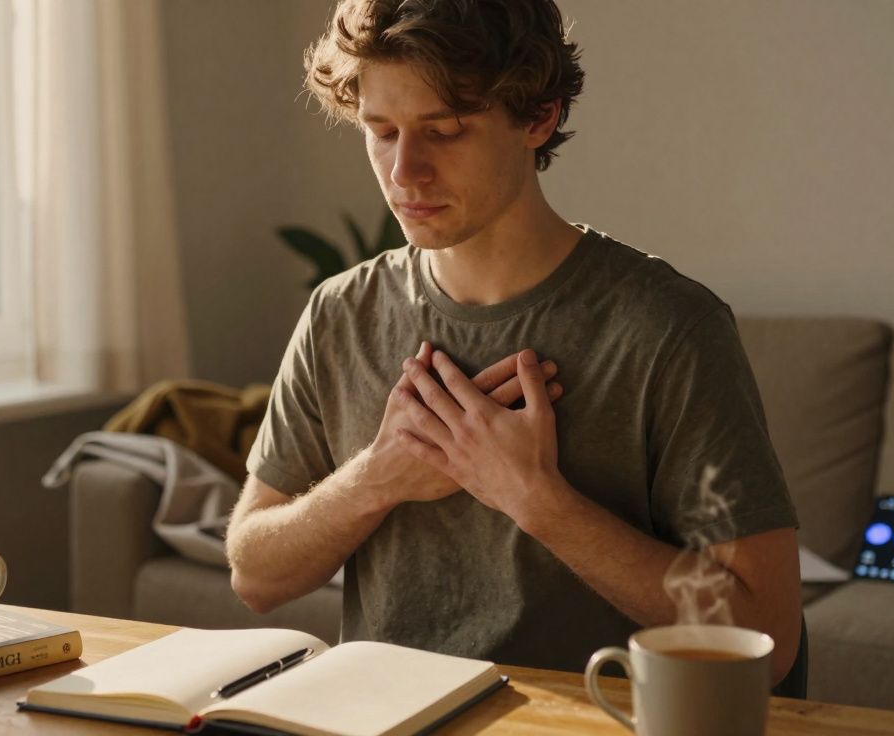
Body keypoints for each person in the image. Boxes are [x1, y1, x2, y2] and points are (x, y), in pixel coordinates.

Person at [225, 0, 803, 688]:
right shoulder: (339, 313)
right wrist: (378, 477)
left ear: (539, 117)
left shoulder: (670, 328)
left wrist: (537, 500)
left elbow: (765, 637)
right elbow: (254, 576)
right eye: (382, 131)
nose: (405, 171)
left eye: (444, 131)